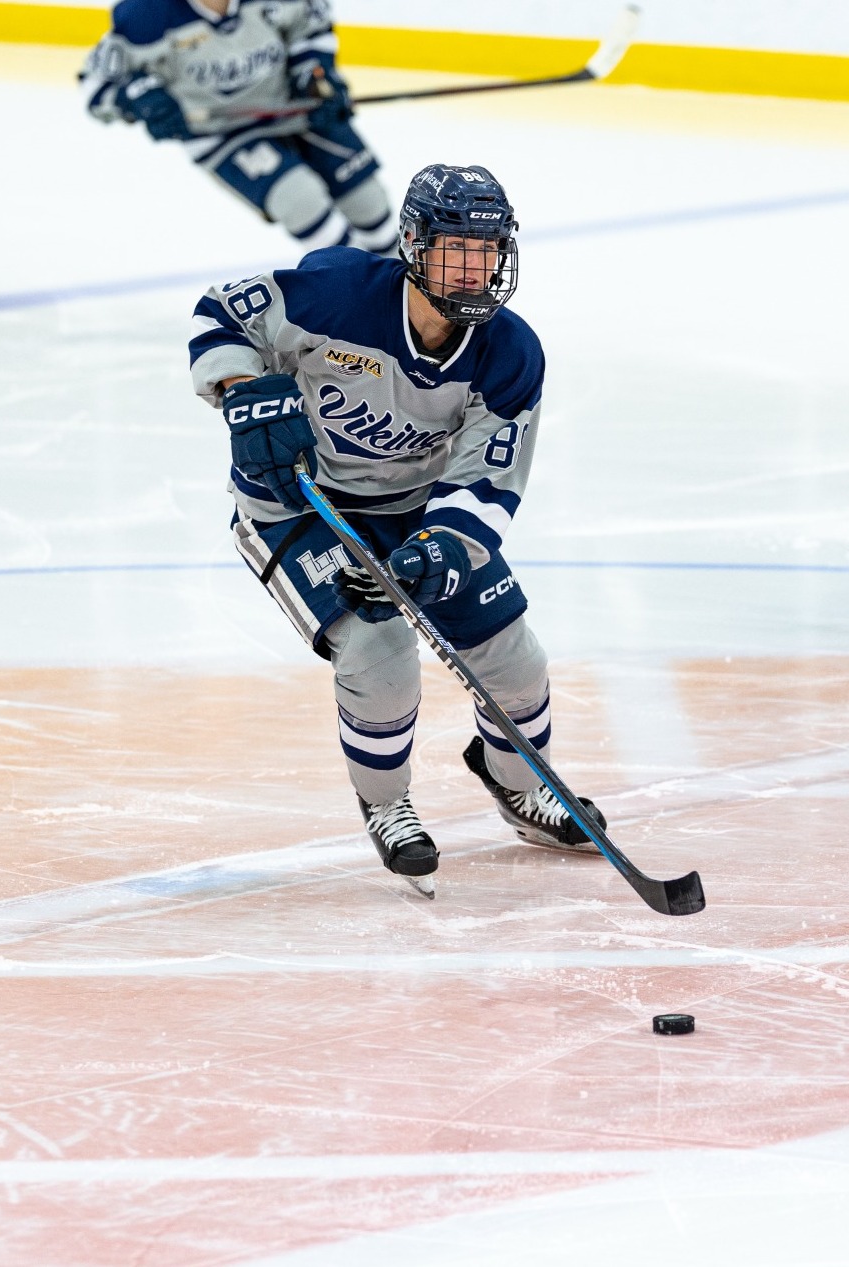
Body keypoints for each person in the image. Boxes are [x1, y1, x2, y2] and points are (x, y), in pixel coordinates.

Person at [187, 164, 604, 895]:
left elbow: (484, 481)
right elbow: (221, 312)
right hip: (297, 502)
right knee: (378, 650)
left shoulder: (509, 353)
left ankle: (522, 787)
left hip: (413, 510)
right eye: (456, 249)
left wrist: (436, 552)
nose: (475, 269)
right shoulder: (336, 294)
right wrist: (243, 390)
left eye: (488, 251)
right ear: (411, 243)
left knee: (514, 660)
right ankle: (387, 806)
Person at [82, 0, 396, 255]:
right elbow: (96, 84)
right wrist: (141, 99)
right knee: (300, 201)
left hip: (295, 109)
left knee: (369, 203)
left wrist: (314, 75)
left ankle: (400, 293)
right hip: (220, 134)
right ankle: (357, 294)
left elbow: (311, 26)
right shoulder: (144, 16)